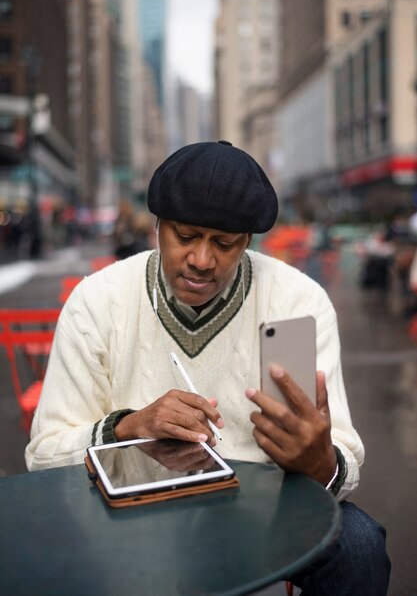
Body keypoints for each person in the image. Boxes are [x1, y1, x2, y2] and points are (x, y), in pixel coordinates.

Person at [26, 141, 390, 595]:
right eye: (186, 236)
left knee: (360, 544)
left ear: (248, 242)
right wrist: (128, 427)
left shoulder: (295, 301)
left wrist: (320, 462)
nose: (202, 259)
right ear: (157, 227)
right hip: (132, 514)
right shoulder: (99, 302)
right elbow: (43, 456)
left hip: (266, 512)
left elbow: (342, 458)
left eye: (224, 243)